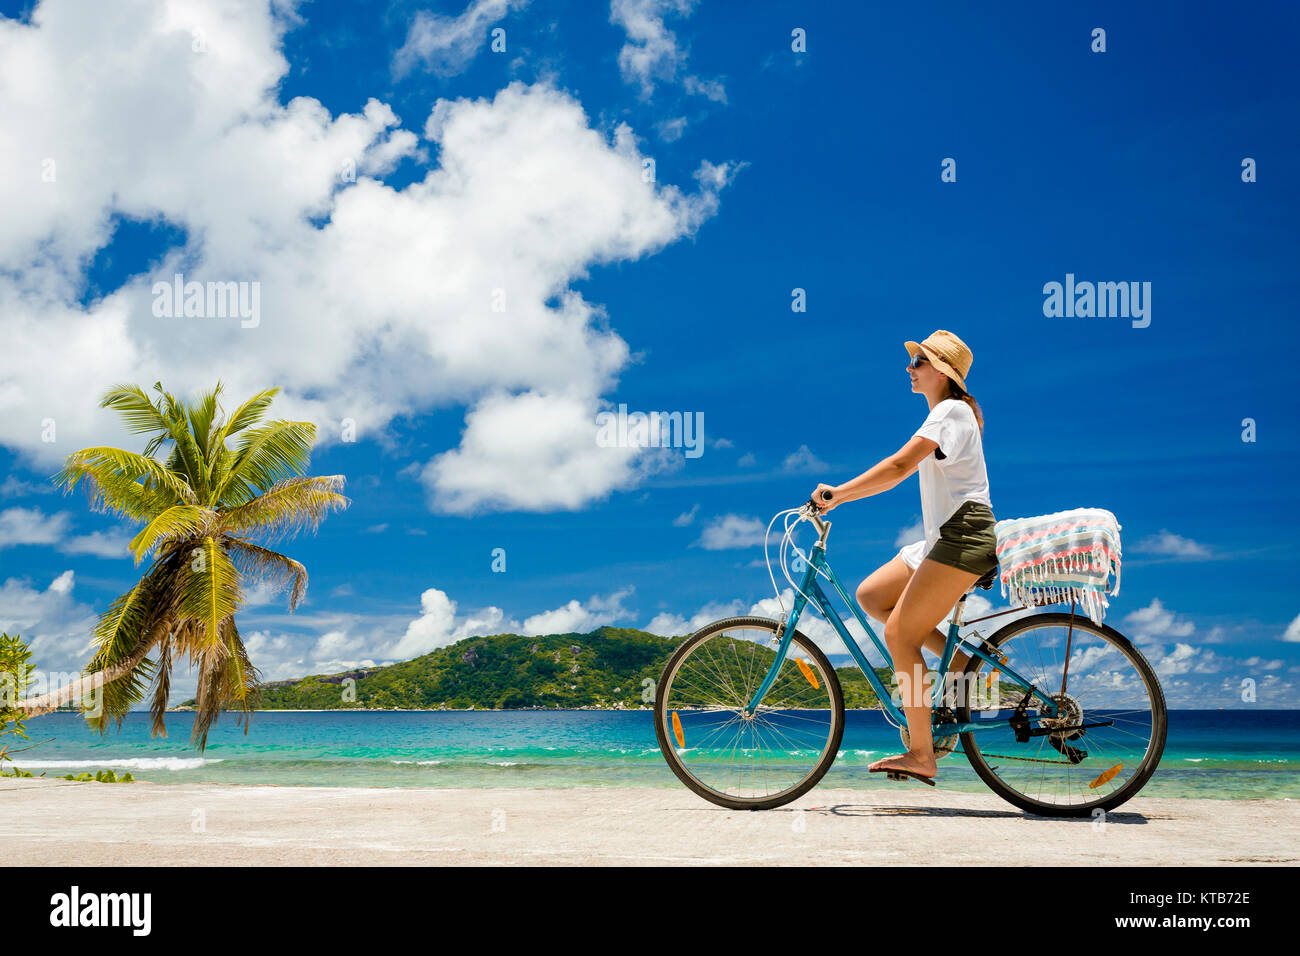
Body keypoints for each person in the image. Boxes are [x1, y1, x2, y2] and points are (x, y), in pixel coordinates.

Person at [810, 329, 997, 785]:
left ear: (942, 373)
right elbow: (895, 473)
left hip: (963, 535)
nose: (910, 368)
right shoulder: (948, 414)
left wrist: (838, 495)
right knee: (872, 596)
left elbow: (896, 468)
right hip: (941, 539)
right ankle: (960, 663)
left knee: (899, 635)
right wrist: (843, 497)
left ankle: (921, 752)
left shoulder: (951, 411)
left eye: (919, 363)